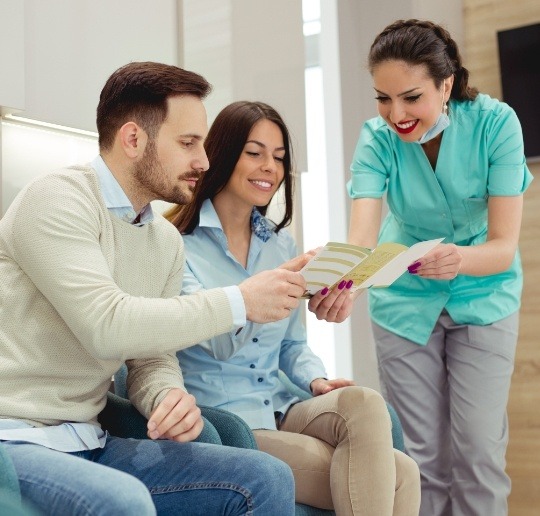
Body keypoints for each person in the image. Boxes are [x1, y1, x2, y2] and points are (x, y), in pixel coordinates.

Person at [0, 61, 309, 515]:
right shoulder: (57, 200)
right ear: (133, 139)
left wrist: (166, 395)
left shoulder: (162, 239)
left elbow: (150, 356)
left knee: (264, 477)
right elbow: (107, 325)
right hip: (15, 439)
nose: (203, 161)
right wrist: (239, 301)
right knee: (122, 501)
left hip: (91, 440)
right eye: (188, 143)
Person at [165, 100, 421, 516]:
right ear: (223, 154)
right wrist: (264, 290)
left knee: (366, 404)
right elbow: (217, 344)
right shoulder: (175, 244)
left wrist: (315, 380)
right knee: (401, 476)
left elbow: (292, 346)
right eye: (255, 153)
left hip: (281, 404)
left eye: (279, 157)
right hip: (227, 421)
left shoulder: (279, 243)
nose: (270, 166)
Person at [346, 19, 534, 516]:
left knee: (478, 453)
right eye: (383, 99)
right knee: (420, 460)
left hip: (483, 294)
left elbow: (501, 245)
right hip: (403, 300)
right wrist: (341, 281)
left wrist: (458, 260)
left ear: (445, 84)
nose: (396, 114)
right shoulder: (376, 139)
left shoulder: (497, 125)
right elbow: (362, 240)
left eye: (411, 97)